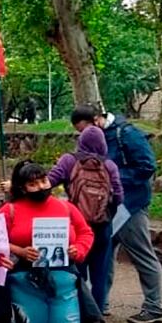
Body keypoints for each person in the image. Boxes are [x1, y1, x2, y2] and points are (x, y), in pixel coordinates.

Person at [0, 160, 95, 323]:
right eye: (33, 184)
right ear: (22, 187)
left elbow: (86, 232)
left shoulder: (66, 207)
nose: (41, 186)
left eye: (43, 180)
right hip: (25, 284)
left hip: (63, 283)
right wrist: (19, 251)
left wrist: (78, 250)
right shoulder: (9, 211)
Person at [71, 106, 162, 323]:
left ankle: (154, 306)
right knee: (104, 257)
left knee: (142, 254)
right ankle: (99, 303)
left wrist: (110, 179)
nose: (84, 135)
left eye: (85, 129)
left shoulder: (127, 134)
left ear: (97, 119)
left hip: (130, 205)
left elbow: (147, 166)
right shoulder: (97, 138)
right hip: (105, 209)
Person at [48, 124, 123, 312]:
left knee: (76, 271)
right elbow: (119, 197)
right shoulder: (109, 165)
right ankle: (96, 314)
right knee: (100, 273)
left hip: (76, 226)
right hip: (102, 226)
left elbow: (48, 182)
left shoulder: (69, 161)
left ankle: (78, 312)